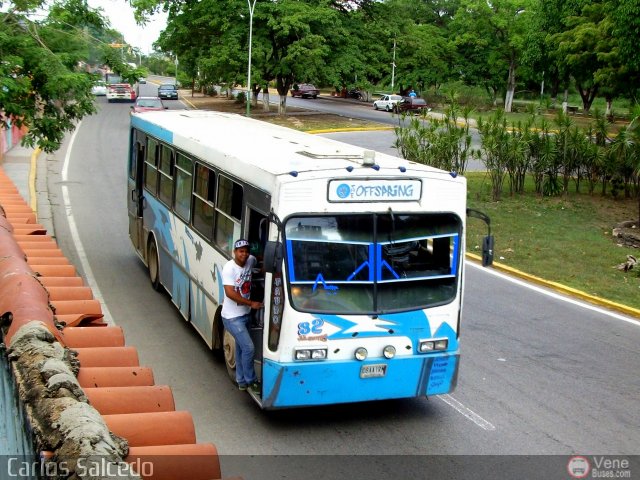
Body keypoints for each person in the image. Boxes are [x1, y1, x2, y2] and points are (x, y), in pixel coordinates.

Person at [221, 239, 263, 393]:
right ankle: (251, 381)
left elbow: (261, 260)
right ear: (234, 252)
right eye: (241, 251)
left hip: (245, 315)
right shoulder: (229, 268)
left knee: (240, 348)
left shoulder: (250, 261)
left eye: (246, 251)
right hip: (232, 318)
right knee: (249, 348)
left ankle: (241, 381)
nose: (244, 254)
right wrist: (251, 303)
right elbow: (230, 293)